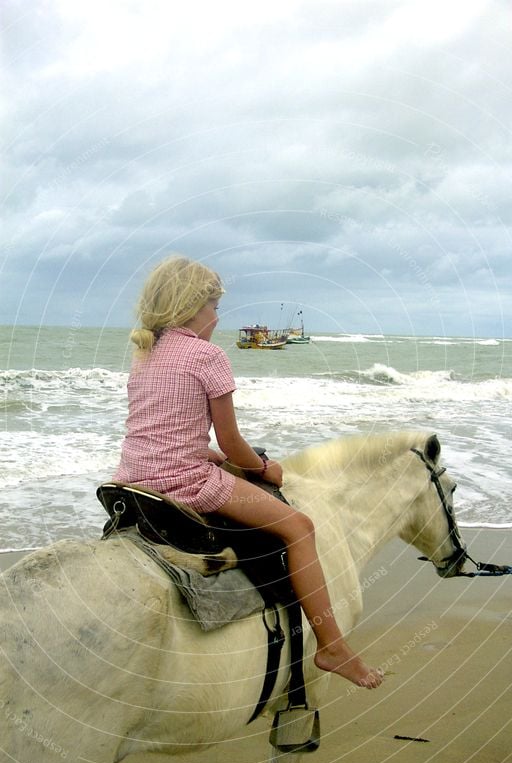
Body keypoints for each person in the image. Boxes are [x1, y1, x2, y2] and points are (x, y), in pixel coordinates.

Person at [116, 256, 383, 689]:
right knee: (299, 527)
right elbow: (232, 444)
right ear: (191, 308)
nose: (218, 318)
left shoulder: (144, 353)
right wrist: (263, 468)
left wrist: (208, 455)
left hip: (133, 480)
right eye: (214, 307)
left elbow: (159, 429)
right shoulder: (207, 356)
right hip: (187, 484)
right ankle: (332, 647)